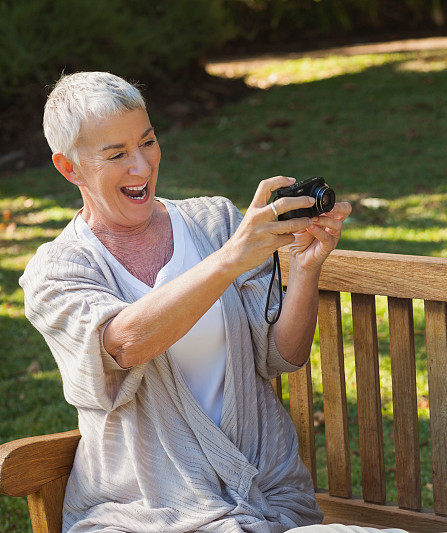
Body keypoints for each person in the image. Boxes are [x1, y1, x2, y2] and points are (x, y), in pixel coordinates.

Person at [20, 71, 352, 532]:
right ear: (69, 167)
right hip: (144, 514)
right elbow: (124, 343)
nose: (142, 166)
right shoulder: (56, 270)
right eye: (116, 154)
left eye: (148, 142)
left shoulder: (215, 221)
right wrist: (229, 260)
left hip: (267, 502)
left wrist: (306, 266)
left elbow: (284, 355)